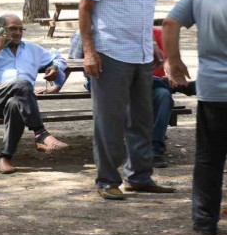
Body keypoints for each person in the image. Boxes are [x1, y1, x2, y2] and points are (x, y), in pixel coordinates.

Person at [79, 0, 174, 200]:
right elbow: (86, 8)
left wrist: (152, 43)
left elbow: (142, 8)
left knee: (142, 120)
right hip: (111, 53)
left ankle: (139, 177)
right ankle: (107, 181)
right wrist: (89, 51)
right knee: (109, 121)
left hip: (142, 54)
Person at [67, 28, 195, 169]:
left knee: (162, 95)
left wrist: (170, 71)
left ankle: (155, 150)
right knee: (121, 80)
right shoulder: (84, 31)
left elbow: (164, 60)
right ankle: (179, 86)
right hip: (103, 81)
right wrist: (57, 84)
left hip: (140, 81)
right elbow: (72, 62)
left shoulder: (134, 28)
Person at [163, 0, 227, 235]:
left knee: (209, 158)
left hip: (214, 90)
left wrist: (173, 60)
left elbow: (169, 24)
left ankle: (204, 221)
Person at [0, 14, 69, 174]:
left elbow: (58, 58)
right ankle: (40, 133)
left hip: (22, 99)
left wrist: (54, 67)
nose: (17, 32)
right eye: (12, 29)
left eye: (21, 29)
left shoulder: (33, 49)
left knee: (14, 104)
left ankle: (4, 157)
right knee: (22, 83)